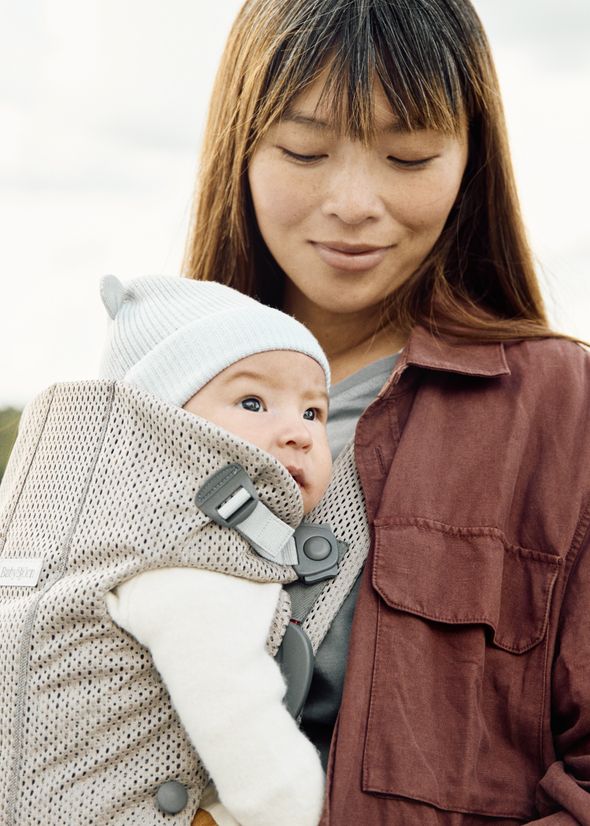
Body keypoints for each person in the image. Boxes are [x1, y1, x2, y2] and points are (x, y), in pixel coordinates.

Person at [181, 0, 590, 823]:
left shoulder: (565, 413)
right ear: (242, 150)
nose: (356, 202)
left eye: (409, 156)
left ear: (471, 160)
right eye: (305, 149)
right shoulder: (149, 402)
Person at [0, 274, 332, 825]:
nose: (298, 433)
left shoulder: (81, 546)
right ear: (162, 426)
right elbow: (238, 717)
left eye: (313, 411)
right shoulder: (185, 566)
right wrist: (289, 810)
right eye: (253, 401)